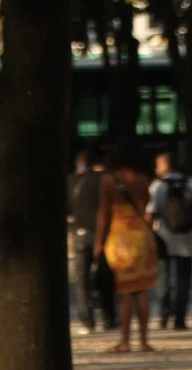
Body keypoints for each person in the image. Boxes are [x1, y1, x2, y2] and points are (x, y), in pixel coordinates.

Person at [97, 154, 158, 353]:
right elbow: (146, 201)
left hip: (120, 237)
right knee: (142, 289)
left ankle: (124, 341)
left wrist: (99, 242)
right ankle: (143, 341)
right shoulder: (142, 179)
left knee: (125, 292)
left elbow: (104, 213)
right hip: (141, 236)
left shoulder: (109, 180)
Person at [147, 149, 192, 331]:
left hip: (163, 238)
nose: (156, 169)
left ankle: (164, 316)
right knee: (183, 281)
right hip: (186, 240)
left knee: (164, 279)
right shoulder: (190, 186)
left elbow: (150, 214)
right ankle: (180, 319)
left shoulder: (157, 187)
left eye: (158, 165)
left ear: (165, 166)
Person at [67, 148, 103, 331]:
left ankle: (87, 320)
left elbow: (67, 209)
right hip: (100, 234)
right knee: (103, 276)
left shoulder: (72, 182)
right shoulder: (101, 181)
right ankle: (108, 315)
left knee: (81, 279)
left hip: (80, 234)